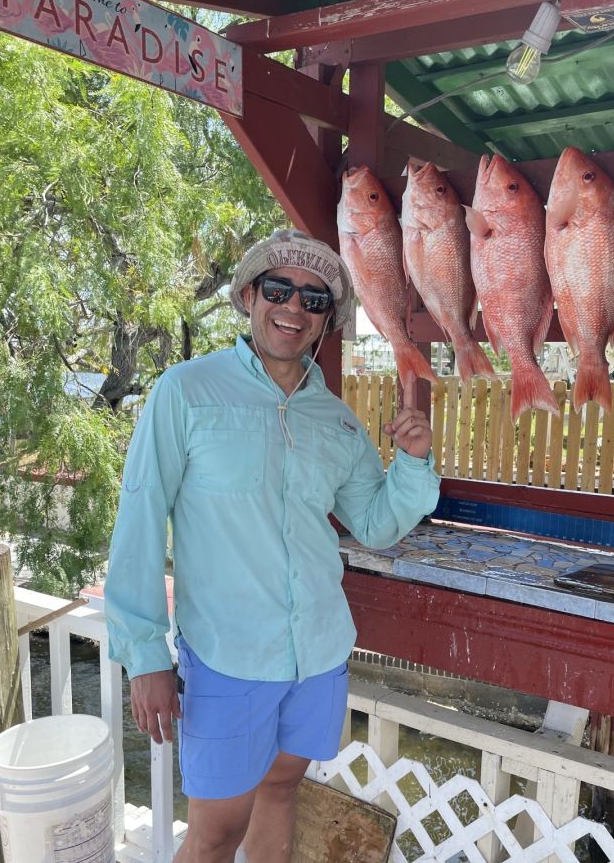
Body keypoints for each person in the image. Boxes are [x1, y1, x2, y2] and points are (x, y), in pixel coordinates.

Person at [104, 229, 440, 863]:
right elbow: (140, 521)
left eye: (314, 300)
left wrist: (414, 465)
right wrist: (143, 655)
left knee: (283, 788)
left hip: (316, 653)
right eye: (279, 289)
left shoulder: (337, 421)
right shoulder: (185, 392)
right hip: (228, 657)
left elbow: (373, 522)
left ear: (326, 323)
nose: (293, 308)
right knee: (215, 830)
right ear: (250, 295)